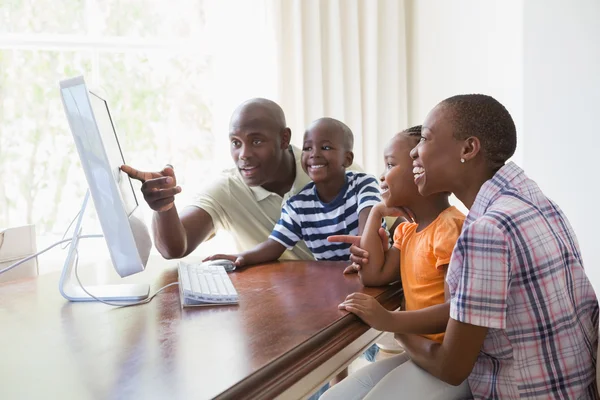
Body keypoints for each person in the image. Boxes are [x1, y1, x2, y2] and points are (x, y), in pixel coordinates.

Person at [331, 94, 599, 399]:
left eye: (426, 139)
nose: (415, 152)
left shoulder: (486, 231)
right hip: (572, 383)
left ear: (468, 149)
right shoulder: (530, 199)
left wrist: (392, 323)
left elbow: (451, 367)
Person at [322, 126, 469, 400]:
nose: (381, 175)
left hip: (446, 361)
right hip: (418, 352)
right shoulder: (408, 231)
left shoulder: (449, 226)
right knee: (332, 397)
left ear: (421, 171)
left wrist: (390, 320)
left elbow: (455, 312)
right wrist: (377, 213)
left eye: (390, 164)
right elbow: (374, 275)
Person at [121, 98, 320, 261]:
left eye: (256, 141)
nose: (243, 154)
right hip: (272, 299)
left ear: (284, 139)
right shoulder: (228, 187)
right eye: (236, 143)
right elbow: (174, 249)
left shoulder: (336, 174)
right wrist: (164, 207)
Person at [203, 117, 383, 268]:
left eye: (326, 148)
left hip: (373, 266)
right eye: (307, 148)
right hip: (333, 279)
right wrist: (241, 257)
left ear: (347, 158)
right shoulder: (297, 205)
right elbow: (274, 245)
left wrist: (362, 250)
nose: (314, 154)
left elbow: (368, 228)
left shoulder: (363, 184)